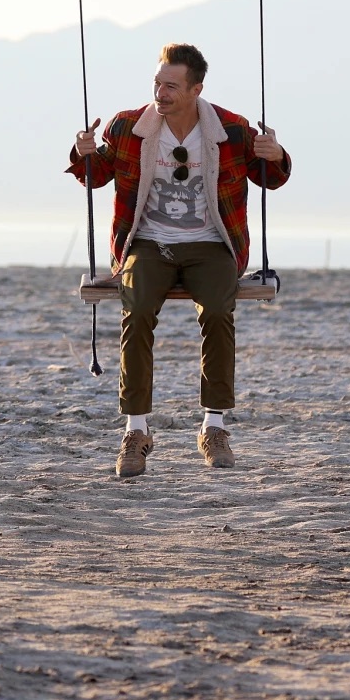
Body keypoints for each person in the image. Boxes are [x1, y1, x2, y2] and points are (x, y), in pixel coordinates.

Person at [68, 42, 290, 478]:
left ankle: (214, 426)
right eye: (157, 83)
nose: (161, 92)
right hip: (147, 243)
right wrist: (84, 151)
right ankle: (135, 431)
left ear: (196, 89)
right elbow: (94, 177)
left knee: (218, 313)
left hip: (212, 244)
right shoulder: (129, 125)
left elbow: (272, 178)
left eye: (171, 86)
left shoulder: (231, 128)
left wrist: (276, 155)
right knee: (137, 312)